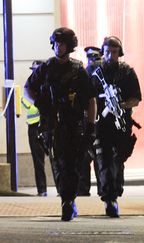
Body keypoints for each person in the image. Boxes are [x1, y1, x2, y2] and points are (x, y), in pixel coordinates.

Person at [24, 27, 97, 221]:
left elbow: (90, 100)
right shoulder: (46, 68)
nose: (58, 47)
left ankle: (68, 201)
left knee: (72, 165)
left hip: (73, 125)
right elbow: (27, 89)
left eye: (62, 43)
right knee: (58, 164)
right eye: (56, 43)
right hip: (52, 126)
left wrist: (91, 126)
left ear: (70, 46)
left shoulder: (78, 70)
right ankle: (66, 199)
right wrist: (40, 103)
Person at [91, 36, 141, 217]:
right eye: (107, 52)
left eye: (114, 52)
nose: (110, 56)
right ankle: (108, 198)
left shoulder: (127, 72)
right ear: (102, 52)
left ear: (119, 53)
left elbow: (136, 99)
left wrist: (120, 106)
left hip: (121, 124)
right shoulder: (94, 71)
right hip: (101, 124)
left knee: (117, 160)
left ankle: (115, 194)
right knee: (102, 160)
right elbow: (86, 97)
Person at [21, 60, 59, 197]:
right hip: (34, 127)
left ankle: (61, 189)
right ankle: (42, 190)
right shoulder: (29, 86)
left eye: (37, 69)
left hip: (49, 125)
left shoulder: (49, 84)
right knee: (38, 161)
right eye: (33, 70)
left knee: (56, 159)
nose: (35, 72)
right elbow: (25, 102)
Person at [76, 46, 103, 197]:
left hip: (100, 121)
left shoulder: (102, 73)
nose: (91, 60)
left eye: (94, 57)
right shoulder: (84, 73)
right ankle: (82, 189)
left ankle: (102, 188)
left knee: (100, 156)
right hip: (86, 120)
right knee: (85, 155)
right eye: (89, 57)